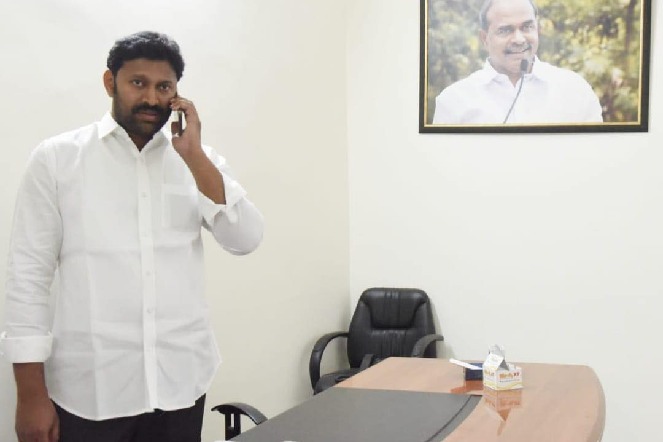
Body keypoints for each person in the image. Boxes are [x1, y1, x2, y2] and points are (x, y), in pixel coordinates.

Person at [0, 31, 264, 442]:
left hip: (180, 384)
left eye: (164, 87)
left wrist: (194, 156)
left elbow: (245, 238)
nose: (152, 98)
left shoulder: (197, 161)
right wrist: (30, 394)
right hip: (91, 392)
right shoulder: (57, 159)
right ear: (111, 82)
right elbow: (28, 278)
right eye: (138, 83)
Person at [432, 0, 603, 125]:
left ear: (538, 30)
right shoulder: (453, 101)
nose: (519, 39)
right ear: (485, 39)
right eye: (505, 30)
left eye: (527, 27)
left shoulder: (575, 90)